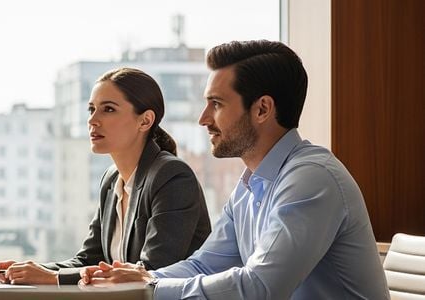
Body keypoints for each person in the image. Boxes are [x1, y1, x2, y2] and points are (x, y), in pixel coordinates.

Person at [80, 40, 390, 299]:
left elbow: (260, 287)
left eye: (216, 104)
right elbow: (204, 265)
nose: (203, 119)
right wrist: (141, 278)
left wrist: (151, 286)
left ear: (262, 109)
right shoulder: (248, 186)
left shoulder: (312, 178)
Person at [0, 67, 211, 285]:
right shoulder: (111, 180)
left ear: (145, 121)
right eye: (91, 109)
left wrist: (53, 278)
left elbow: (150, 272)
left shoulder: (172, 176)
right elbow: (88, 259)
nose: (93, 120)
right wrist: (29, 270)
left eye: (108, 109)